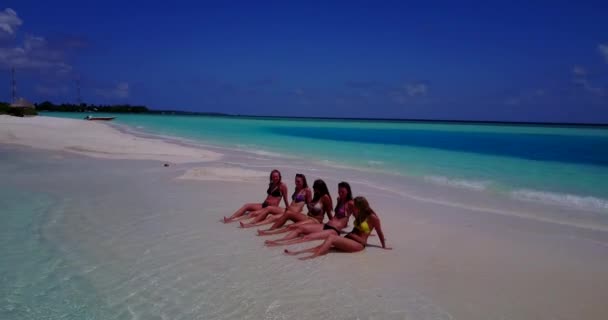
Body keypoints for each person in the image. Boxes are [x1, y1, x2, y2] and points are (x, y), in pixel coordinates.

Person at [284, 196, 391, 260]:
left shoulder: (373, 218)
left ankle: (312, 257)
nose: (354, 207)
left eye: (356, 205)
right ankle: (298, 253)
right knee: (325, 246)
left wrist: (384, 246)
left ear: (362, 205)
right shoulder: (359, 214)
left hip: (358, 244)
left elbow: (379, 232)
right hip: (349, 239)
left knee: (331, 238)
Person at [264, 181, 354, 246]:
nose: (340, 193)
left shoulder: (349, 203)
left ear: (348, 191)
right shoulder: (339, 199)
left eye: (342, 191)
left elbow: (358, 216)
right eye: (339, 191)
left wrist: (355, 231)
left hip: (327, 226)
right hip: (324, 224)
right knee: (297, 228)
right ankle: (278, 239)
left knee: (305, 234)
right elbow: (335, 216)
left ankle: (280, 243)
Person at [257, 179, 333, 235]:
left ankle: (270, 233)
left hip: (316, 221)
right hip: (308, 217)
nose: (314, 189)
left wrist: (333, 227)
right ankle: (271, 229)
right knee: (288, 213)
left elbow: (329, 213)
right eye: (313, 187)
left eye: (315, 188)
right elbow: (310, 207)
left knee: (292, 226)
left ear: (321, 188)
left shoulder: (325, 197)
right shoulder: (317, 195)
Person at [239, 173, 312, 228]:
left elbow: (309, 204)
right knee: (269, 208)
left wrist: (310, 216)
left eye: (298, 181)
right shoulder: (297, 189)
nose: (296, 183)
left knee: (272, 217)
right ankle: (252, 222)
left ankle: (251, 225)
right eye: (295, 181)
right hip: (288, 209)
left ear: (303, 181)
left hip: (293, 213)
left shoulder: (307, 190)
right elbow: (295, 202)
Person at [223, 169, 289, 223]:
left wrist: (288, 209)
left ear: (279, 177)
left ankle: (232, 221)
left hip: (271, 208)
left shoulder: (282, 186)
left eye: (276, 176)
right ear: (271, 177)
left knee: (252, 214)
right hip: (264, 205)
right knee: (247, 205)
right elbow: (269, 196)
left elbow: (285, 199)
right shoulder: (271, 184)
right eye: (273, 177)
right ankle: (231, 217)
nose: (275, 178)